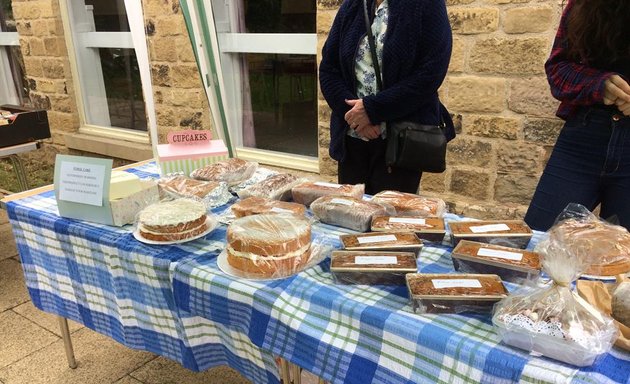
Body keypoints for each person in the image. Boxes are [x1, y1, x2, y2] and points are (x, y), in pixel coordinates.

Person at [319, 0, 454, 195]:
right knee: (350, 215)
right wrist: (355, 116)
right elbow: (329, 69)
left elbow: (431, 73)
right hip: (353, 137)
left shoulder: (426, 5)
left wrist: (372, 110)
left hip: (400, 141)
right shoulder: (353, 6)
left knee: (390, 220)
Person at [525, 0, 630, 231]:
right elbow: (557, 69)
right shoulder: (583, 5)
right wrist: (598, 84)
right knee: (538, 239)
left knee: (623, 260)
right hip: (583, 137)